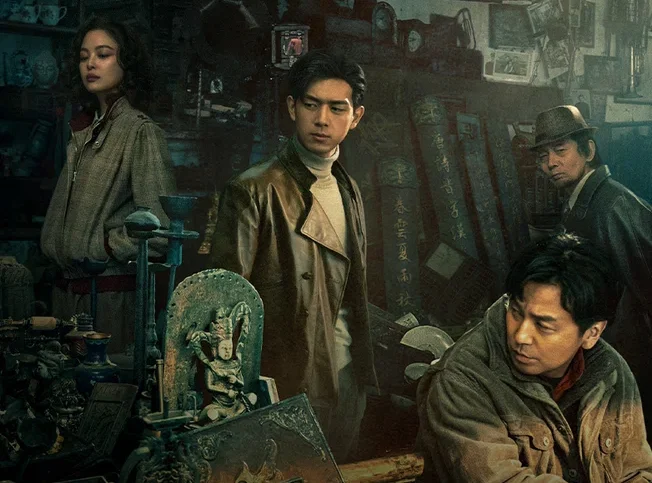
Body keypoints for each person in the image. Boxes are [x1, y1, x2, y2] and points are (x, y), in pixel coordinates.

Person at [210, 49, 376, 462]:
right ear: (291, 108)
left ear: (355, 116)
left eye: (337, 108)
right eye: (311, 104)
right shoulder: (253, 190)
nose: (322, 119)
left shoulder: (349, 188)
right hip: (289, 382)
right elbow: (225, 314)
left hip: (348, 374)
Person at [416, 233, 652, 482]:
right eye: (516, 312)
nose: (521, 336)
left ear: (592, 333)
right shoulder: (462, 380)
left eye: (543, 325)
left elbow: (636, 472)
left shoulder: (610, 371)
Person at [41, 16, 176, 353]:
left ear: (126, 63)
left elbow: (159, 231)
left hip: (110, 301)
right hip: (66, 297)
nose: (90, 64)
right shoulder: (83, 132)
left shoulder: (140, 132)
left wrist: (104, 246)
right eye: (84, 56)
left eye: (103, 54)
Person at [532, 105, 652, 439]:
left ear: (588, 150)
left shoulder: (612, 205)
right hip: (598, 350)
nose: (550, 163)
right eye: (543, 156)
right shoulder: (580, 203)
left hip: (627, 356)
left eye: (560, 151)